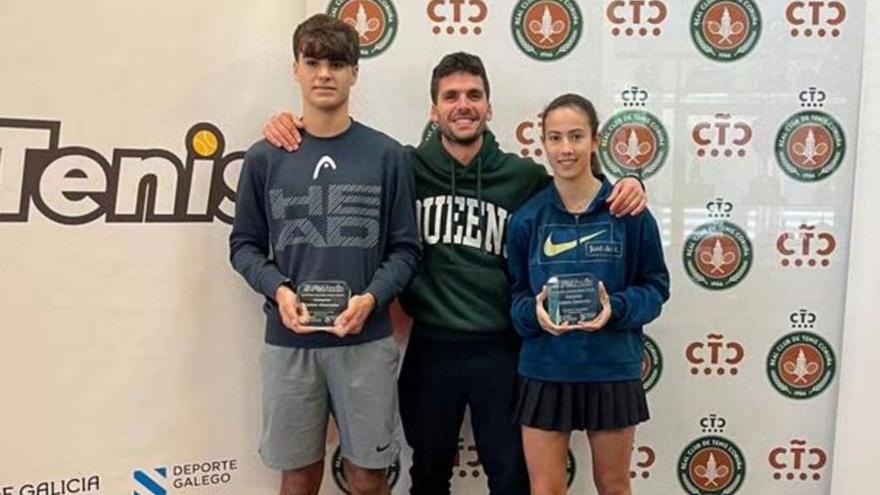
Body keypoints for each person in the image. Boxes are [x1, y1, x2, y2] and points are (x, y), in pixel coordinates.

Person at [262, 52, 647, 495]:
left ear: (489, 107)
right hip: (431, 347)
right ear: (434, 110)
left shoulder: (522, 177)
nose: (463, 104)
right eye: (451, 96)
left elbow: (577, 183)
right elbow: (342, 154)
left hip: (501, 348)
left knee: (511, 476)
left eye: (473, 95)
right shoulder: (404, 166)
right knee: (427, 474)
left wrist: (627, 183)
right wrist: (289, 125)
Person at [229, 14, 421, 495]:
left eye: (337, 63)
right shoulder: (264, 157)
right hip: (289, 343)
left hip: (366, 340)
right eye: (312, 62)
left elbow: (405, 250)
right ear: (295, 69)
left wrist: (372, 300)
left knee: (368, 478)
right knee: (296, 479)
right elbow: (244, 246)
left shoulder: (387, 156)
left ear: (355, 72)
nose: (324, 74)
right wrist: (279, 289)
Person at [506, 93, 670, 495]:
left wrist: (615, 308)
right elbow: (516, 300)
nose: (566, 149)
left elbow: (656, 288)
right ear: (542, 143)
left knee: (613, 485)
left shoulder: (629, 213)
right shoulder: (528, 219)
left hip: (611, 368)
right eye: (556, 137)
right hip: (546, 368)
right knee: (546, 489)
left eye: (576, 136)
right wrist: (536, 315)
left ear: (595, 141)